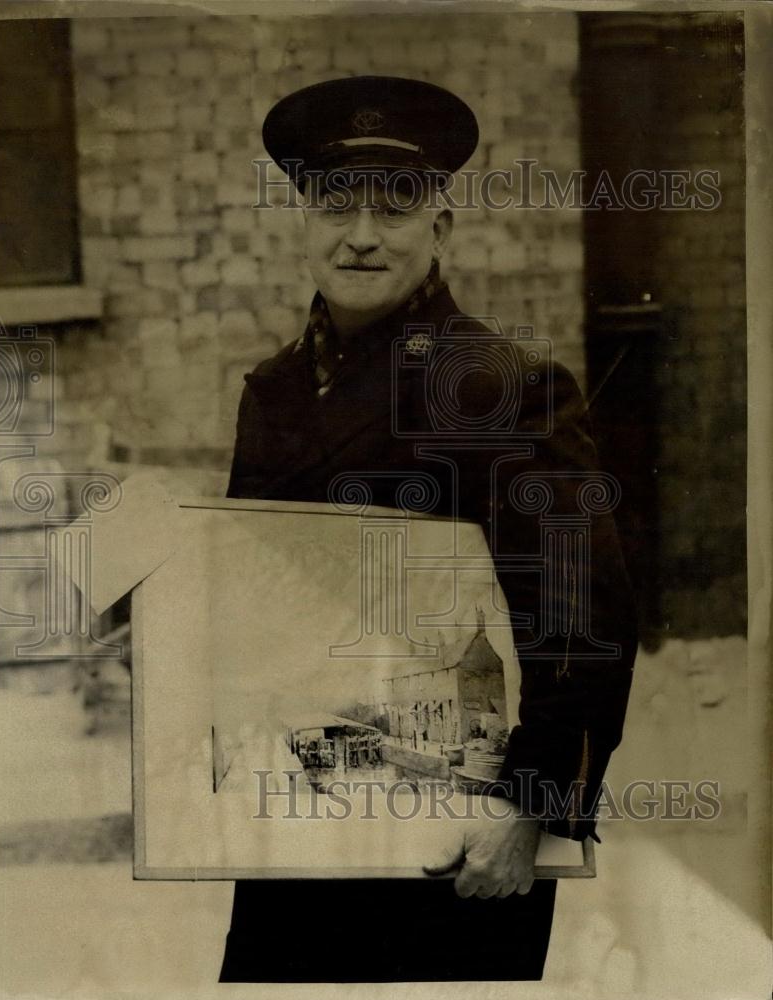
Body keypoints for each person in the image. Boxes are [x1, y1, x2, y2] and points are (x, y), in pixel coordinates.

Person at [220, 75, 636, 982]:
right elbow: (255, 597)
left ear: (438, 229)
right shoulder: (274, 392)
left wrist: (528, 806)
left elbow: (585, 611)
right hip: (294, 810)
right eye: (335, 204)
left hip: (453, 826)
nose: (361, 234)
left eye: (395, 208)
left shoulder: (501, 386)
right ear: (301, 220)